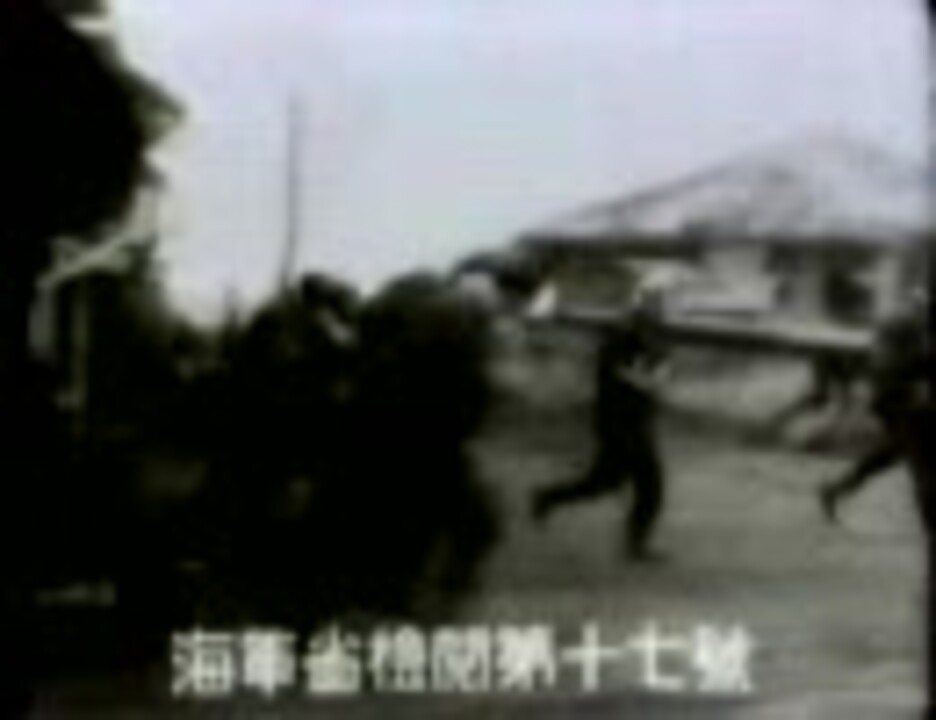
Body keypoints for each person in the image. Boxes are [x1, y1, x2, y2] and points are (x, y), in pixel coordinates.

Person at [532, 291, 670, 562]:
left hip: (637, 422)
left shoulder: (652, 340)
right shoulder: (618, 339)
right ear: (638, 312)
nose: (657, 314)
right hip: (617, 424)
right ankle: (636, 546)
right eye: (651, 309)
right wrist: (650, 378)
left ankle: (547, 497)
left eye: (659, 309)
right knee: (648, 486)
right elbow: (628, 375)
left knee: (602, 483)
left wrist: (652, 377)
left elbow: (658, 376)